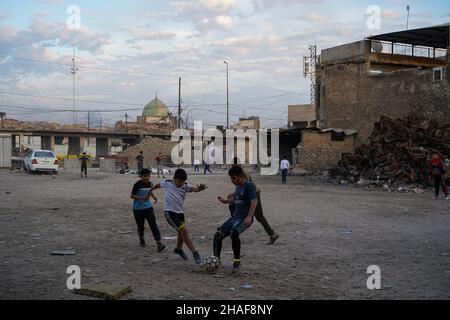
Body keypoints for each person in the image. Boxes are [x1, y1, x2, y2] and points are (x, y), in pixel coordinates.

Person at [150, 169, 207, 264]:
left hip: (180, 213)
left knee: (181, 233)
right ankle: (195, 253)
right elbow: (158, 185)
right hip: (169, 213)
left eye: (183, 182)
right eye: (179, 181)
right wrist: (151, 189)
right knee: (183, 231)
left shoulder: (185, 186)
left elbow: (194, 189)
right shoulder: (168, 183)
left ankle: (178, 249)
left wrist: (200, 189)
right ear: (174, 179)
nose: (181, 183)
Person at [215, 166, 257, 273]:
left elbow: (254, 201)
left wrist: (249, 216)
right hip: (235, 217)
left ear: (241, 176)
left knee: (234, 233)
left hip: (244, 218)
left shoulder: (249, 185)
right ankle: (216, 260)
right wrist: (226, 201)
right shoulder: (238, 187)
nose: (232, 181)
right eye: (231, 178)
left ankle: (237, 261)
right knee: (218, 234)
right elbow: (237, 198)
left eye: (234, 178)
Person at [227, 158, 279, 245]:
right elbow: (241, 187)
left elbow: (248, 187)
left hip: (253, 194)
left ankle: (272, 234)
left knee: (259, 216)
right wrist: (234, 194)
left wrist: (235, 194)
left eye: (233, 165)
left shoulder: (242, 173)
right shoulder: (239, 172)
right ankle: (236, 228)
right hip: (248, 195)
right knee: (233, 207)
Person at [130, 168, 166, 252]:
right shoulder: (137, 184)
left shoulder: (150, 183)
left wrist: (153, 196)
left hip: (148, 208)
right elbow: (132, 196)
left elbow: (150, 191)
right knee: (141, 226)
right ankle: (141, 238)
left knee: (153, 224)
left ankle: (159, 243)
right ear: (141, 176)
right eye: (145, 176)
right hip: (138, 209)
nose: (147, 177)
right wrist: (143, 198)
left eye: (148, 176)